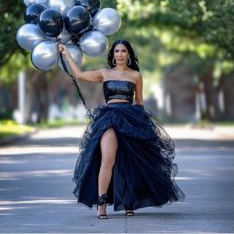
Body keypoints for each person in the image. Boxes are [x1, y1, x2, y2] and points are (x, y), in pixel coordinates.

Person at [58, 39, 185, 219]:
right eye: (116, 51)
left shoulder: (135, 76)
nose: (120, 55)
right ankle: (101, 203)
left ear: (129, 55)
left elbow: (139, 101)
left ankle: (128, 201)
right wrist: (67, 55)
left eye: (123, 51)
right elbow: (79, 75)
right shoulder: (105, 73)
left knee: (129, 160)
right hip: (108, 118)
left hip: (130, 118)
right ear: (113, 55)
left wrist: (144, 126)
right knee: (108, 158)